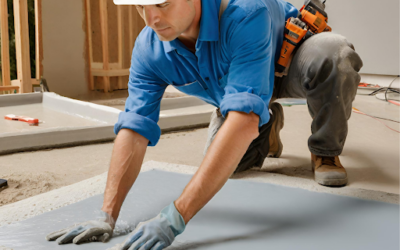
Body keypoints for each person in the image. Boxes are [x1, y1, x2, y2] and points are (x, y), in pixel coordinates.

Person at [46, 0, 363, 249]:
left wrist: (175, 217)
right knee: (231, 163)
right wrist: (107, 214)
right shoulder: (150, 48)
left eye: (163, 4)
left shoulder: (245, 11)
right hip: (240, 89)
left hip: (284, 62)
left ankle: (325, 150)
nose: (151, 18)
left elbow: (241, 122)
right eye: (142, 7)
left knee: (331, 55)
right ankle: (266, 128)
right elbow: (134, 127)